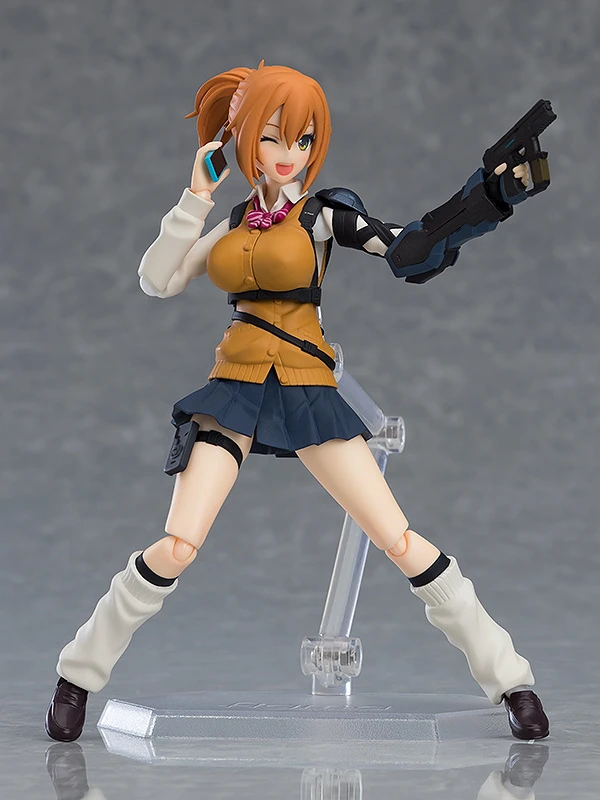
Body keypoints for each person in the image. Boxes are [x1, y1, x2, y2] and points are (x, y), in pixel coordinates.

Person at [46, 62, 549, 742]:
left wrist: (484, 199)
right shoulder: (231, 220)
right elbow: (158, 279)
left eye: (304, 140)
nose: (289, 154)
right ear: (245, 139)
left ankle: (512, 681)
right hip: (233, 389)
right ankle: (77, 676)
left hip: (308, 388)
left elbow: (405, 250)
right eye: (273, 137)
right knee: (178, 544)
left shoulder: (322, 216)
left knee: (398, 539)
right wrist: (196, 195)